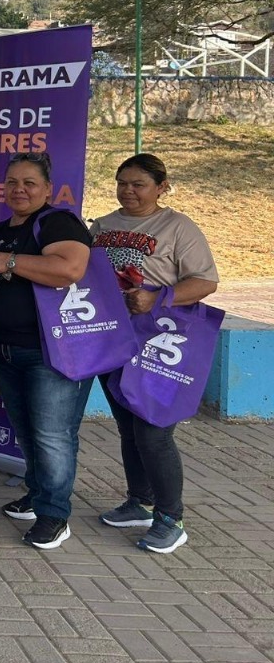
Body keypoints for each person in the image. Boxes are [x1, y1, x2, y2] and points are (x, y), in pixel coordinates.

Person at [90, 153, 219, 554]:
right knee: (129, 426)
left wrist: (159, 297)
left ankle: (170, 518)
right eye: (122, 183)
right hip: (111, 339)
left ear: (161, 187)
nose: (128, 191)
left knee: (153, 429)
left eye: (138, 184)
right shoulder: (103, 226)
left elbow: (206, 281)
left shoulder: (177, 227)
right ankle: (139, 501)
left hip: (159, 341)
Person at [0, 151, 93, 551]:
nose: (19, 189)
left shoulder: (57, 222)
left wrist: (8, 261)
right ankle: (38, 492)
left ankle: (54, 515)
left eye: (29, 182)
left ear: (47, 189)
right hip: (6, 349)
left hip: (53, 351)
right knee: (27, 430)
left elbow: (70, 269)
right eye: (12, 182)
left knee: (53, 435)